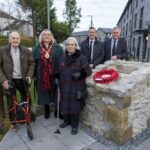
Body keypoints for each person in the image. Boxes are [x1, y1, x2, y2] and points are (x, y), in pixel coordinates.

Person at [0, 31, 35, 131]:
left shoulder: (26, 51)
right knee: (11, 101)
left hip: (22, 79)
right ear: (9, 39)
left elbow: (32, 63)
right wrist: (3, 81)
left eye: (17, 38)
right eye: (13, 38)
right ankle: (13, 123)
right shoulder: (2, 50)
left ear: (20, 39)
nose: (15, 40)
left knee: (26, 98)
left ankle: (25, 116)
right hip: (9, 80)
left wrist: (29, 76)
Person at [56, 37, 92, 135]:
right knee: (64, 106)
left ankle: (74, 126)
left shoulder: (81, 57)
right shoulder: (62, 57)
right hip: (64, 86)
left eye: (72, 45)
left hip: (76, 87)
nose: (70, 46)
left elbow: (88, 71)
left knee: (74, 108)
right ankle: (66, 121)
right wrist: (56, 78)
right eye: (68, 44)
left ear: (76, 46)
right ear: (66, 46)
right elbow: (57, 71)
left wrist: (80, 74)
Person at [32, 29, 63, 119]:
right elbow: (32, 63)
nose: (46, 36)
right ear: (41, 36)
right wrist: (33, 75)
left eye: (48, 35)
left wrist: (60, 75)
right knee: (44, 93)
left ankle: (57, 111)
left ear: (51, 36)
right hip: (41, 76)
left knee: (56, 93)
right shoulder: (36, 48)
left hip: (55, 75)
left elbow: (62, 62)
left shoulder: (58, 48)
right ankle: (46, 110)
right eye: (44, 35)